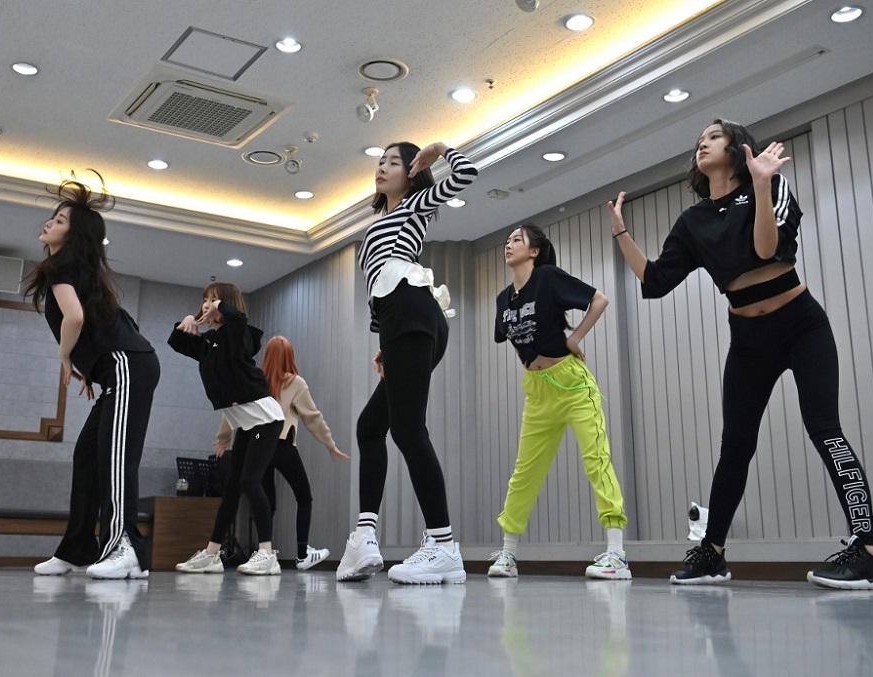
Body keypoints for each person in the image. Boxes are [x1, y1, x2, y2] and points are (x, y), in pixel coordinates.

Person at [608, 118, 873, 589]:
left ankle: (868, 550)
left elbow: (767, 250)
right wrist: (622, 235)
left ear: (739, 147)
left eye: (714, 137)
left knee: (825, 428)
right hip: (748, 340)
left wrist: (761, 186)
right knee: (735, 446)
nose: (703, 143)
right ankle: (713, 553)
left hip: (800, 324)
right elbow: (655, 282)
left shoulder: (772, 184)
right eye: (699, 140)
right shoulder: (693, 221)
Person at [336, 141, 477, 584]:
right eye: (379, 162)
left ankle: (443, 544)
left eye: (392, 162)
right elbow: (379, 281)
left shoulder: (416, 204)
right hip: (403, 321)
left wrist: (440, 150)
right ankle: (364, 538)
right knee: (370, 426)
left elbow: (467, 173)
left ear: (411, 172)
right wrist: (385, 339)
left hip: (414, 314)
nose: (382, 168)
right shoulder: (381, 220)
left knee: (406, 427)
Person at [24, 173, 160, 580]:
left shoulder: (59, 267)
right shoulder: (77, 270)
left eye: (62, 220)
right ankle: (78, 548)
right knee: (87, 455)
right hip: (119, 368)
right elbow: (100, 322)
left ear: (76, 235)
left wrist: (66, 359)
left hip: (127, 366)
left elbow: (76, 318)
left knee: (117, 458)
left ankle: (125, 548)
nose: (50, 223)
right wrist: (88, 367)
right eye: (55, 217)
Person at [488, 224, 631, 580]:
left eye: (517, 240)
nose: (509, 244)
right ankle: (508, 554)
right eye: (507, 240)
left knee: (597, 459)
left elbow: (600, 299)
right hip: (537, 391)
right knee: (524, 473)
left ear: (534, 251)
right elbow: (507, 336)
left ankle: (617, 555)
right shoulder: (503, 299)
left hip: (571, 385)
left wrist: (575, 337)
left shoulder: (548, 278)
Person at [169, 283, 285, 576]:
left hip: (265, 422)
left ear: (226, 304)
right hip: (247, 424)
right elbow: (179, 342)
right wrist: (187, 320)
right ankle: (211, 554)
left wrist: (220, 307)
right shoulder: (210, 344)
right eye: (205, 299)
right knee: (231, 486)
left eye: (214, 300)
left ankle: (267, 554)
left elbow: (239, 321)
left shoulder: (238, 335)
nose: (207, 304)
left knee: (249, 480)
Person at [213, 335, 350, 571]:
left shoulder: (255, 379)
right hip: (281, 443)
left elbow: (232, 410)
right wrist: (330, 444)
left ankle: (263, 552)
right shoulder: (296, 383)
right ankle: (301, 554)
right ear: (289, 356)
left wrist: (223, 439)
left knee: (267, 499)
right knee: (303, 496)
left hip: (257, 443)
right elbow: (313, 417)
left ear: (266, 356)